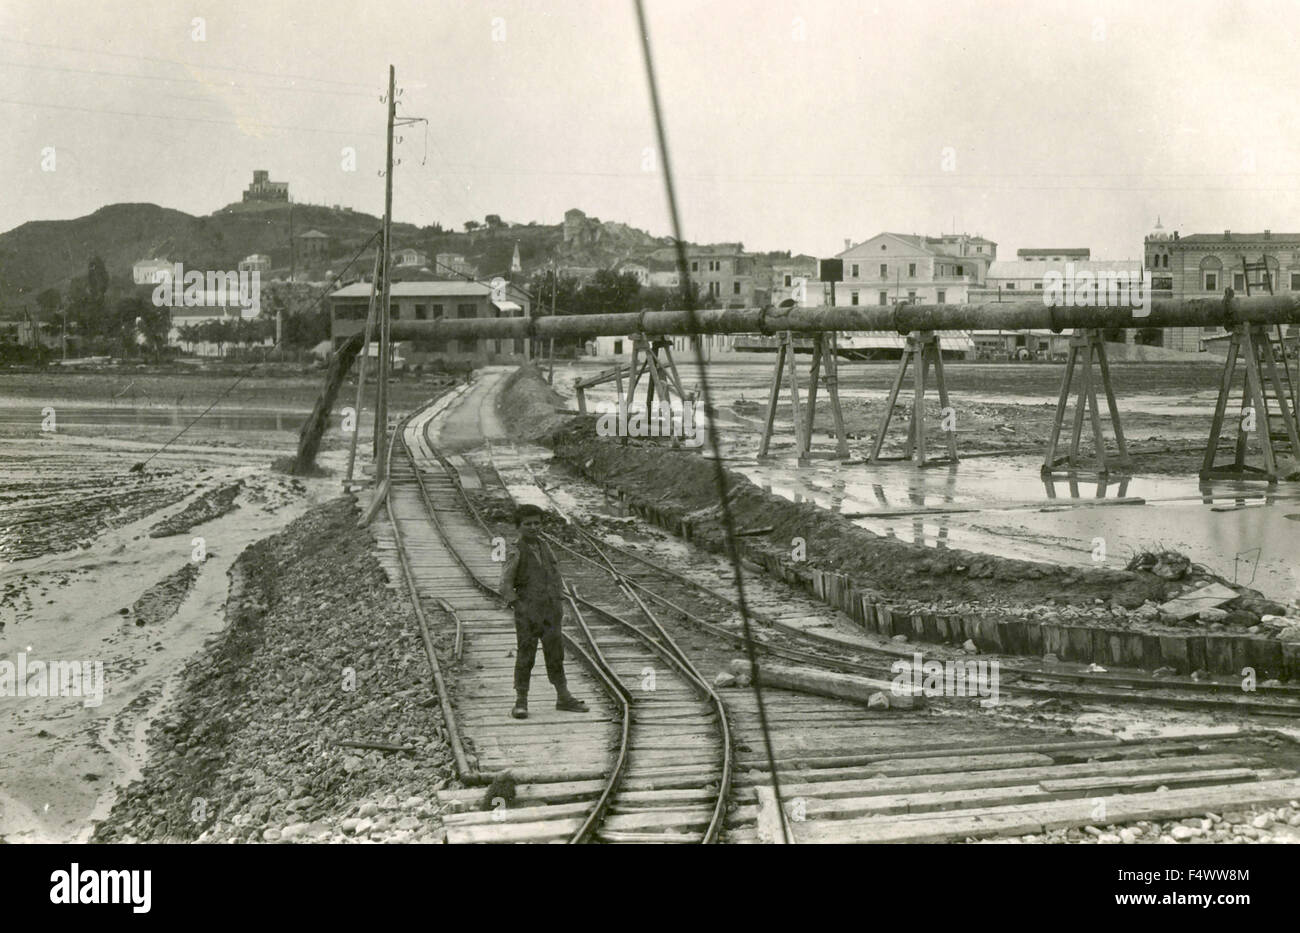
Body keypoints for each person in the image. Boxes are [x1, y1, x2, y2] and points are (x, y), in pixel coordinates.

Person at [498, 503, 588, 719]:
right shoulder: (515, 550)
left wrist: (559, 600)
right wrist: (518, 606)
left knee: (555, 654)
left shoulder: (545, 546)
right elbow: (505, 585)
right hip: (528, 612)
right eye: (527, 524)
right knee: (525, 655)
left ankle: (563, 697)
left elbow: (555, 576)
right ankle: (521, 701)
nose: (533, 527)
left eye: (537, 523)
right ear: (519, 527)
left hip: (551, 611)